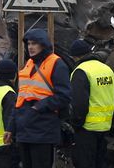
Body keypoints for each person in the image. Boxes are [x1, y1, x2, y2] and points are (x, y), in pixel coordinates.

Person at [13, 28, 71, 168]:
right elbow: (20, 99)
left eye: (34, 43)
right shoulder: (28, 65)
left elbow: (64, 96)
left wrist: (38, 107)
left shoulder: (56, 63)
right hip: (24, 130)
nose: (30, 47)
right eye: (28, 44)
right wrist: (11, 127)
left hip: (43, 130)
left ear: (43, 45)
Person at [69, 39, 114, 167]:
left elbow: (79, 103)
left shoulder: (81, 71)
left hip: (87, 129)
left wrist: (75, 124)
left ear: (74, 57)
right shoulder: (107, 69)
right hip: (105, 127)